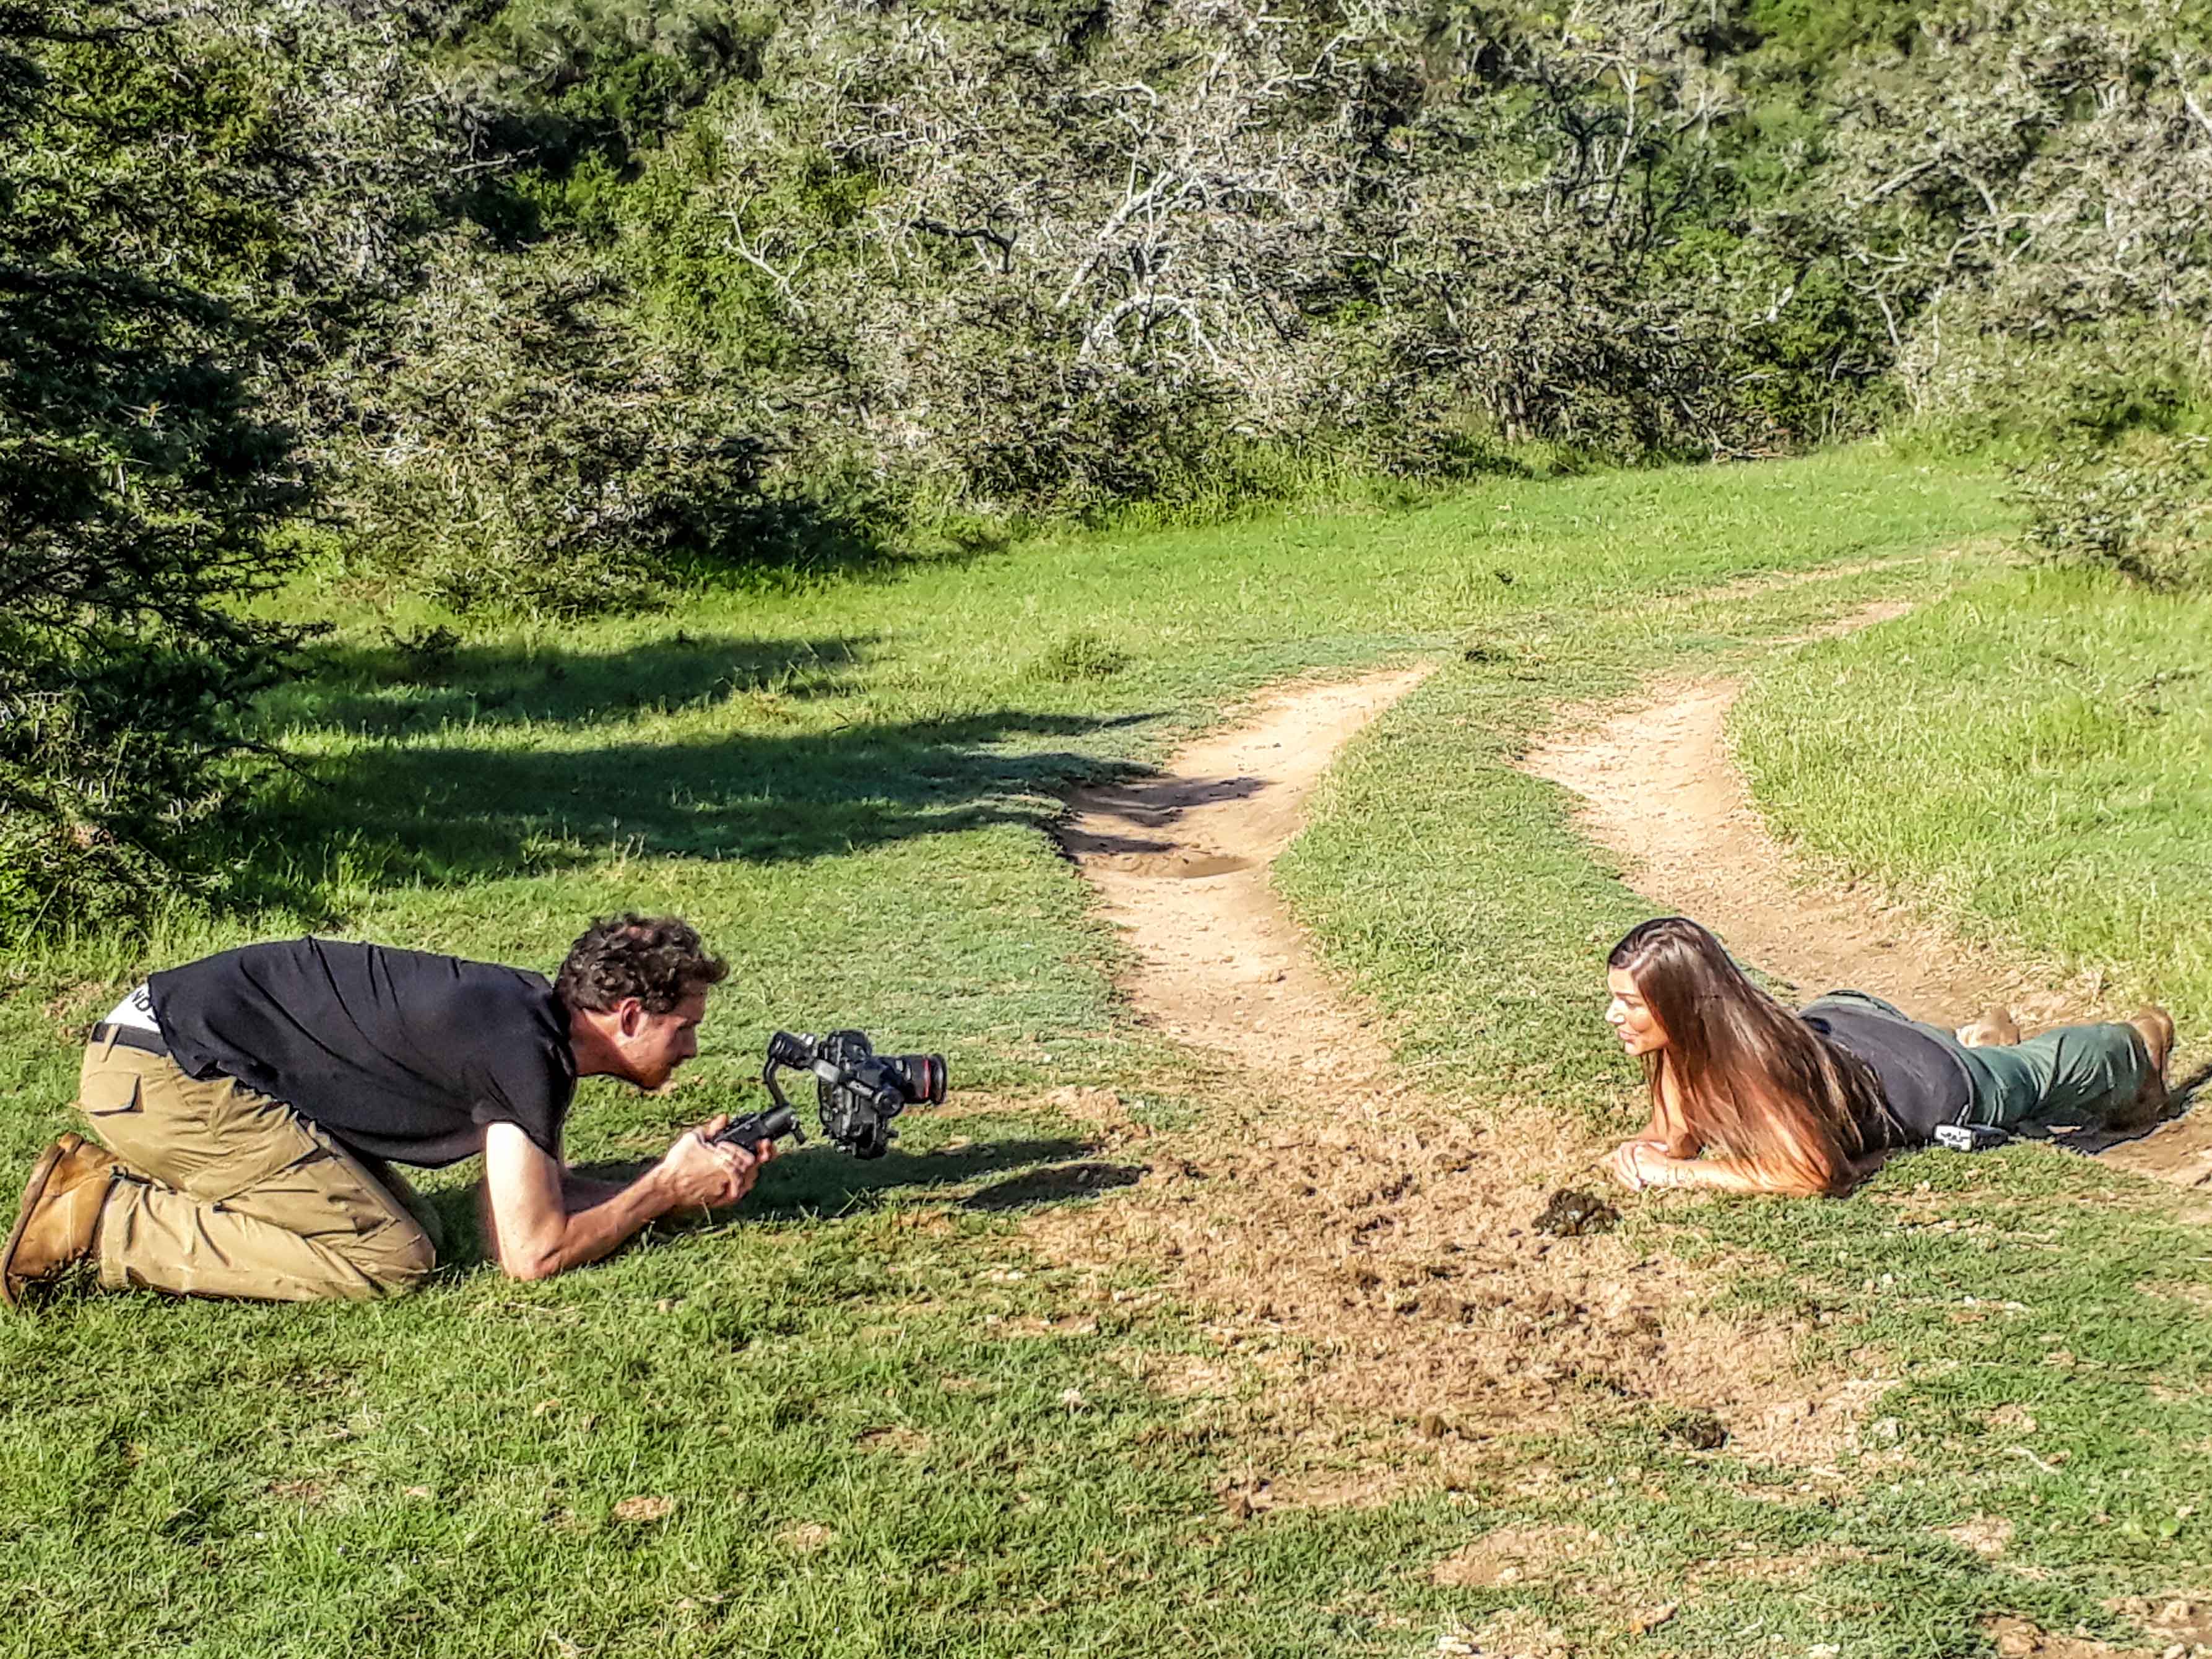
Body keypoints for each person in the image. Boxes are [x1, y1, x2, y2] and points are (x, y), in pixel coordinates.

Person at [1, 914, 774, 1306]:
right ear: (632, 1015)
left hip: (163, 1050)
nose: (694, 1048)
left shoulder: (524, 1024)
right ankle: (103, 1221)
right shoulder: (521, 1049)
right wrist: (665, 1189)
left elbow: (514, 1208)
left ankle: (145, 1199)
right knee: (390, 1260)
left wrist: (668, 1181)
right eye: (687, 1028)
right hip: (166, 1074)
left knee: (417, 1232)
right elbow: (530, 1255)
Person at [1600, 916, 2176, 1197]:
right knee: (1980, 1057)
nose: (1612, 1016)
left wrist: (1675, 1174)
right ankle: (1977, 1037)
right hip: (1843, 1020)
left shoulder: (1753, 1067)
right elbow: (1672, 1134)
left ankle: (2135, 1042)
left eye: (1629, 1003)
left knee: (2028, 1075)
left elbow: (1811, 1173)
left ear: (1679, 1004)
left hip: (1937, 1082)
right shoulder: (1690, 1039)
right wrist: (1655, 1150)